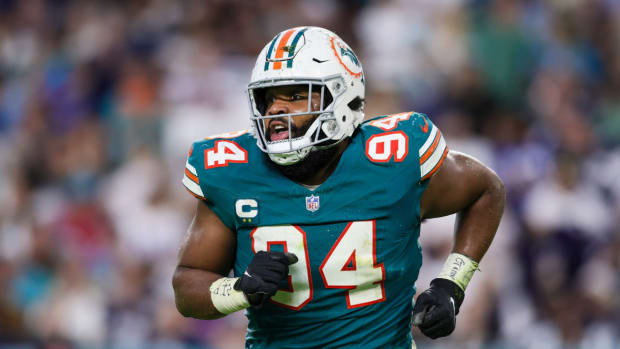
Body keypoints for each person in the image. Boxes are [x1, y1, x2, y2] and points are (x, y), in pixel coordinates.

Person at [172, 26, 505, 348]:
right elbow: (188, 284)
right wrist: (238, 289)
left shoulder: (393, 160)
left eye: (296, 95)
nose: (276, 109)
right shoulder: (233, 172)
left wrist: (451, 284)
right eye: (269, 98)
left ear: (341, 97)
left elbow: (486, 189)